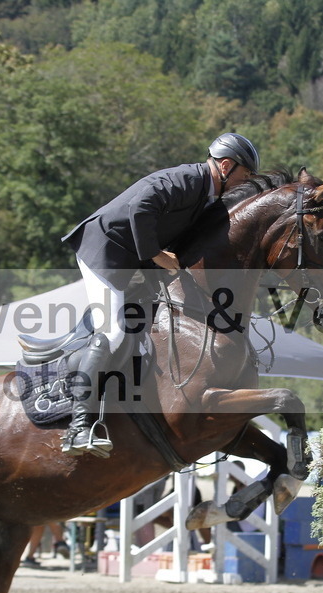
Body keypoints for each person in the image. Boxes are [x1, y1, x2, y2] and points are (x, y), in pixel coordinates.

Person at [60, 132, 260, 457]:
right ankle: (77, 427)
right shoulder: (186, 179)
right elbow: (140, 208)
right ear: (226, 166)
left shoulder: (207, 196)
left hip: (132, 258)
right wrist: (156, 254)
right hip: (104, 251)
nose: (247, 182)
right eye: (246, 174)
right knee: (112, 332)